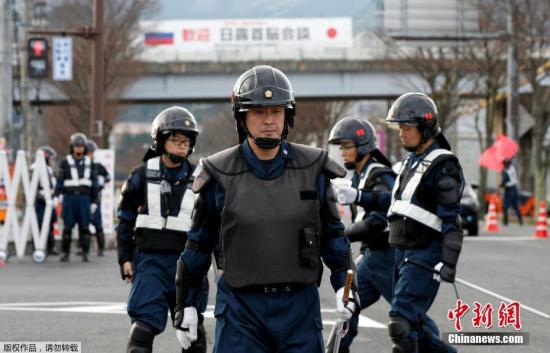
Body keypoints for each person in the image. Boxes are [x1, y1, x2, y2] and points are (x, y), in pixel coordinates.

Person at [174, 65, 357, 353]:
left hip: (300, 309)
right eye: (259, 112)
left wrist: (344, 288)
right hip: (240, 311)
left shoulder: (313, 169)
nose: (269, 120)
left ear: (288, 115)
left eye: (276, 111)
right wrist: (186, 305)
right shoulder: (218, 173)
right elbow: (197, 247)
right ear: (242, 117)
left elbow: (334, 238)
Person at [359, 93, 464, 353]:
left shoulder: (443, 165)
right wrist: (359, 196)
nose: (401, 134)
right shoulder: (411, 161)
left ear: (425, 128)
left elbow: (452, 218)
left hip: (425, 254)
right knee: (415, 327)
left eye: (407, 128)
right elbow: (395, 202)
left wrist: (448, 261)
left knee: (401, 324)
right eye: (400, 129)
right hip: (401, 252)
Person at [116, 106, 207, 353]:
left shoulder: (201, 177)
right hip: (150, 262)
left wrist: (221, 260)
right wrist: (125, 257)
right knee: (142, 331)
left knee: (193, 334)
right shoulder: (141, 175)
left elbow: (215, 221)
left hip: (189, 262)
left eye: (186, 141)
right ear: (160, 140)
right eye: (176, 140)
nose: (182, 146)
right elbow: (124, 219)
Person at [55, 133, 98, 262]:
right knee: (67, 228)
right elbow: (60, 181)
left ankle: (85, 253)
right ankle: (65, 253)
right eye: (76, 146)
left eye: (81, 146)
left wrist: (94, 201)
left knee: (85, 227)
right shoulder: (65, 162)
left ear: (84, 148)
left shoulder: (90, 163)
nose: (78, 149)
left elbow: (94, 184)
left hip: (84, 199)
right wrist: (56, 195)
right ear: (72, 147)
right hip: (69, 198)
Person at [86, 140, 112, 256]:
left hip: (96, 196)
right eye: (89, 153)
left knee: (97, 222)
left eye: (92, 153)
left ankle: (101, 248)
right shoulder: (81, 166)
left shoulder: (97, 166)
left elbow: (108, 176)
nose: (90, 155)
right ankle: (84, 248)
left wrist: (102, 183)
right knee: (83, 223)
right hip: (84, 196)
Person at [33, 146, 59, 256]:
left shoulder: (50, 169)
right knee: (39, 224)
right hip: (40, 202)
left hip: (50, 201)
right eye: (50, 158)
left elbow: (54, 184)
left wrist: (55, 195)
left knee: (50, 224)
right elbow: (33, 187)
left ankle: (50, 247)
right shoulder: (34, 168)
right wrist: (45, 196)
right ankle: (39, 248)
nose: (51, 161)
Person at [501, 158, 523, 226]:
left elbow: (504, 182)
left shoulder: (506, 171)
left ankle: (505, 222)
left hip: (509, 190)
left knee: (505, 206)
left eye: (504, 164)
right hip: (515, 189)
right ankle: (520, 221)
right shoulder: (513, 168)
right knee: (516, 206)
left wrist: (501, 184)